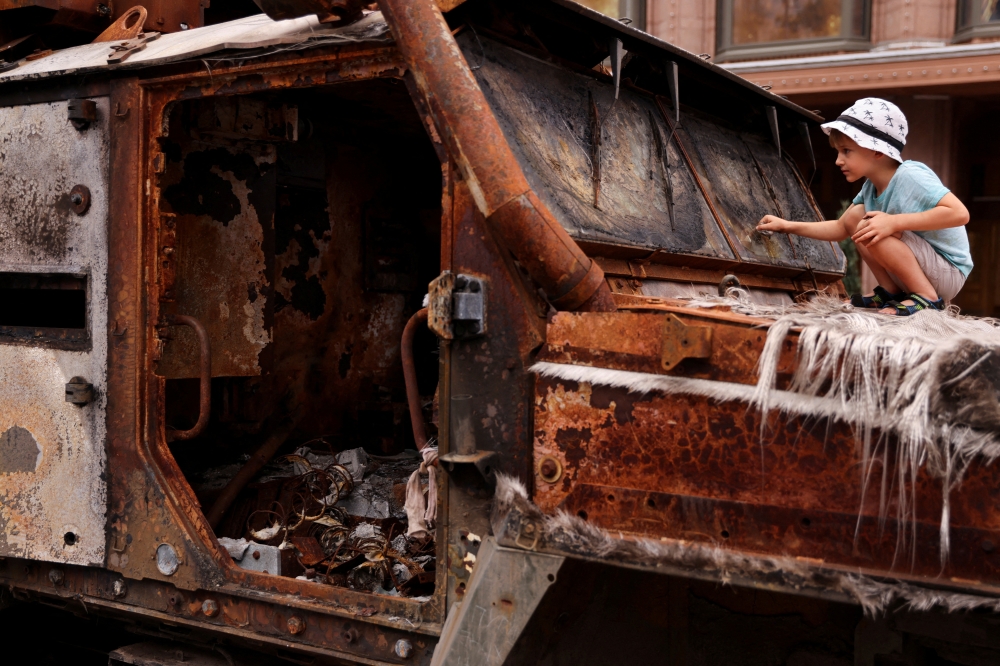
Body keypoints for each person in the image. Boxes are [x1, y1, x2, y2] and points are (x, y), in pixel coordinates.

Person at [756, 97, 971, 315]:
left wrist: (893, 222)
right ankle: (891, 291)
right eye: (838, 152)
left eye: (846, 151)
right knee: (854, 218)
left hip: (948, 272)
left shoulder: (911, 175)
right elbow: (841, 228)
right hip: (921, 270)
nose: (838, 160)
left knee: (871, 225)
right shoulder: (870, 187)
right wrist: (786, 226)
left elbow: (959, 213)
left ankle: (927, 299)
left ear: (877, 150)